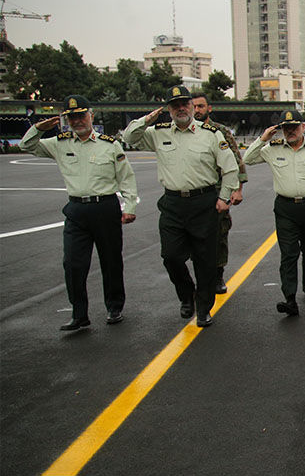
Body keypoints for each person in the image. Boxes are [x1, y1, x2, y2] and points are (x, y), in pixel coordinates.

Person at [123, 85, 239, 327]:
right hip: (173, 203)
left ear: (190, 105)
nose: (181, 108)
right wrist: (146, 119)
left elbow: (230, 168)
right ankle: (187, 296)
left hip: (204, 202)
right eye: (175, 105)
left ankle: (204, 308)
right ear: (169, 109)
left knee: (205, 260)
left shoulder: (210, 133)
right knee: (171, 257)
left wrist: (224, 197)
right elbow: (128, 138)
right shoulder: (158, 132)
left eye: (184, 103)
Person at [19, 95, 138, 330]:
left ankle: (114, 307)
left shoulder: (109, 144)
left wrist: (130, 207)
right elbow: (27, 146)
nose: (76, 121)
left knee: (111, 262)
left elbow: (126, 178)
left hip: (105, 207)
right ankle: (79, 313)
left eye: (80, 115)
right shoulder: (59, 143)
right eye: (71, 117)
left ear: (90, 115)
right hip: (76, 210)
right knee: (73, 264)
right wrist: (38, 128)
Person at [243, 110, 305, 316]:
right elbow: (247, 159)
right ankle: (290, 298)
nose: (290, 131)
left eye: (294, 127)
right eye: (286, 128)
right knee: (288, 254)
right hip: (285, 208)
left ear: (303, 127)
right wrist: (263, 138)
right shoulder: (272, 149)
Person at [191, 92, 246, 294]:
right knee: (194, 238)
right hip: (195, 192)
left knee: (219, 234)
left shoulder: (221, 131)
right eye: (194, 107)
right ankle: (202, 277)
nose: (197, 110)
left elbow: (236, 160)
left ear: (209, 108)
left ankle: (218, 275)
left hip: (218, 192)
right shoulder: (186, 132)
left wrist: (238, 190)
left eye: (201, 106)